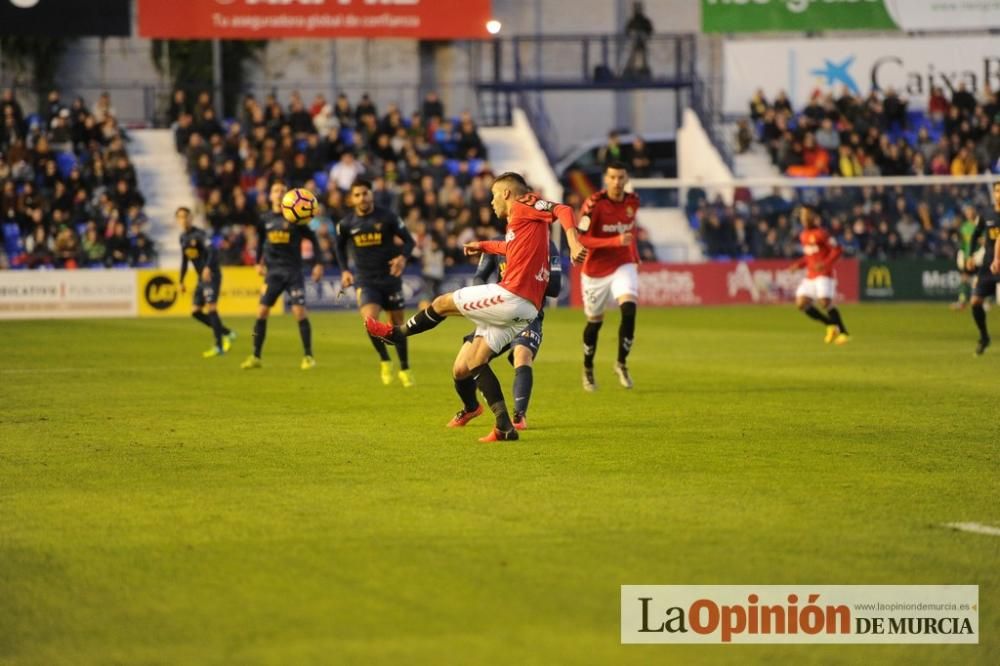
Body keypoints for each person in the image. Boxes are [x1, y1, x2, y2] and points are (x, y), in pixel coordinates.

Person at [365, 172, 587, 442]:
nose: (492, 202)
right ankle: (504, 426)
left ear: (506, 193)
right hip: (527, 309)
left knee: (442, 303)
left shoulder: (524, 203)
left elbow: (562, 209)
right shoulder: (520, 223)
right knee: (474, 361)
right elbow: (511, 248)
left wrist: (574, 242)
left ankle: (395, 334)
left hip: (512, 296)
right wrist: (483, 246)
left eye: (494, 195)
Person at [448, 232, 561, 431]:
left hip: (527, 314)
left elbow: (555, 287)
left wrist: (530, 276)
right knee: (460, 369)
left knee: (522, 355)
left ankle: (519, 417)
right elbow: (479, 278)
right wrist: (488, 299)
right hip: (499, 312)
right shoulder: (497, 243)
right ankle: (471, 408)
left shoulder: (548, 245)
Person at [335, 178, 417, 387]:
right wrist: (345, 270)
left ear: (371, 194)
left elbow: (409, 241)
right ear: (351, 199)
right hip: (366, 280)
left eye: (365, 193)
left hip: (390, 278)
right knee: (370, 323)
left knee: (398, 326)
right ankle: (385, 360)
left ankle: (405, 368)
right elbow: (339, 248)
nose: (362, 197)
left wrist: (402, 258)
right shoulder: (346, 224)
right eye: (358, 195)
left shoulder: (387, 217)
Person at [241, 182, 326, 370]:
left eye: (282, 191)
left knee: (299, 312)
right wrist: (257, 262)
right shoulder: (264, 220)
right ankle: (255, 356)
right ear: (270, 196)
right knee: (261, 312)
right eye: (275, 191)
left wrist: (318, 263)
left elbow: (313, 239)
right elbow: (261, 241)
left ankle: (308, 356)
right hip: (273, 273)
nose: (278, 193)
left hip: (293, 272)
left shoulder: (296, 218)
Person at [577, 161, 641, 391]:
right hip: (595, 272)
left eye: (621, 177)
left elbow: (630, 231)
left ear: (626, 179)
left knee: (629, 310)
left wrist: (634, 255)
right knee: (594, 322)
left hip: (623, 264)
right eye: (613, 177)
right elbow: (582, 239)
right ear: (606, 179)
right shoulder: (594, 204)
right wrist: (614, 241)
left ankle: (621, 363)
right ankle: (587, 368)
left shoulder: (633, 202)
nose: (617, 182)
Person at [177, 206, 235, 357]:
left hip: (212, 275)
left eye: (186, 216)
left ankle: (219, 347)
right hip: (200, 278)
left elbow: (213, 251)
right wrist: (181, 280)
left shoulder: (200, 234)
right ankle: (226, 332)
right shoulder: (183, 238)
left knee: (211, 308)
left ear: (191, 218)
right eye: (180, 217)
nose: (183, 220)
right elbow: (184, 260)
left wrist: (208, 267)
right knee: (195, 312)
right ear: (177, 220)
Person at [791, 204, 850, 345]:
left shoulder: (822, 234)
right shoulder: (803, 235)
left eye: (806, 215)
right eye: (801, 216)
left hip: (824, 274)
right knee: (801, 303)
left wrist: (825, 263)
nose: (803, 218)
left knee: (824, 302)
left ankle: (844, 333)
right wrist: (798, 265)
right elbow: (809, 257)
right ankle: (830, 324)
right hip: (811, 275)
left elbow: (837, 250)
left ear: (813, 217)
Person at [970, 181, 1000, 355]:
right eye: (997, 190)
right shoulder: (986, 214)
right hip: (990, 265)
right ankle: (984, 337)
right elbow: (975, 235)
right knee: (975, 302)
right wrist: (970, 255)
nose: (999, 194)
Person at [953, 203, 980, 310]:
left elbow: (983, 241)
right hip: (968, 256)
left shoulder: (979, 225)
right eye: (967, 212)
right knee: (964, 277)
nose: (968, 213)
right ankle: (962, 301)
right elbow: (963, 243)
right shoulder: (964, 227)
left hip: (978, 256)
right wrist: (962, 254)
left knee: (980, 279)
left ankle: (983, 301)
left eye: (970, 211)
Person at [623, 1, 653, 78]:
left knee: (642, 56)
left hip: (641, 42)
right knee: (634, 56)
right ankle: (630, 70)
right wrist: (632, 35)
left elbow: (649, 30)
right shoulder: (633, 20)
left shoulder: (643, 21)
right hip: (636, 42)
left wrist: (645, 36)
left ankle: (643, 70)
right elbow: (627, 30)